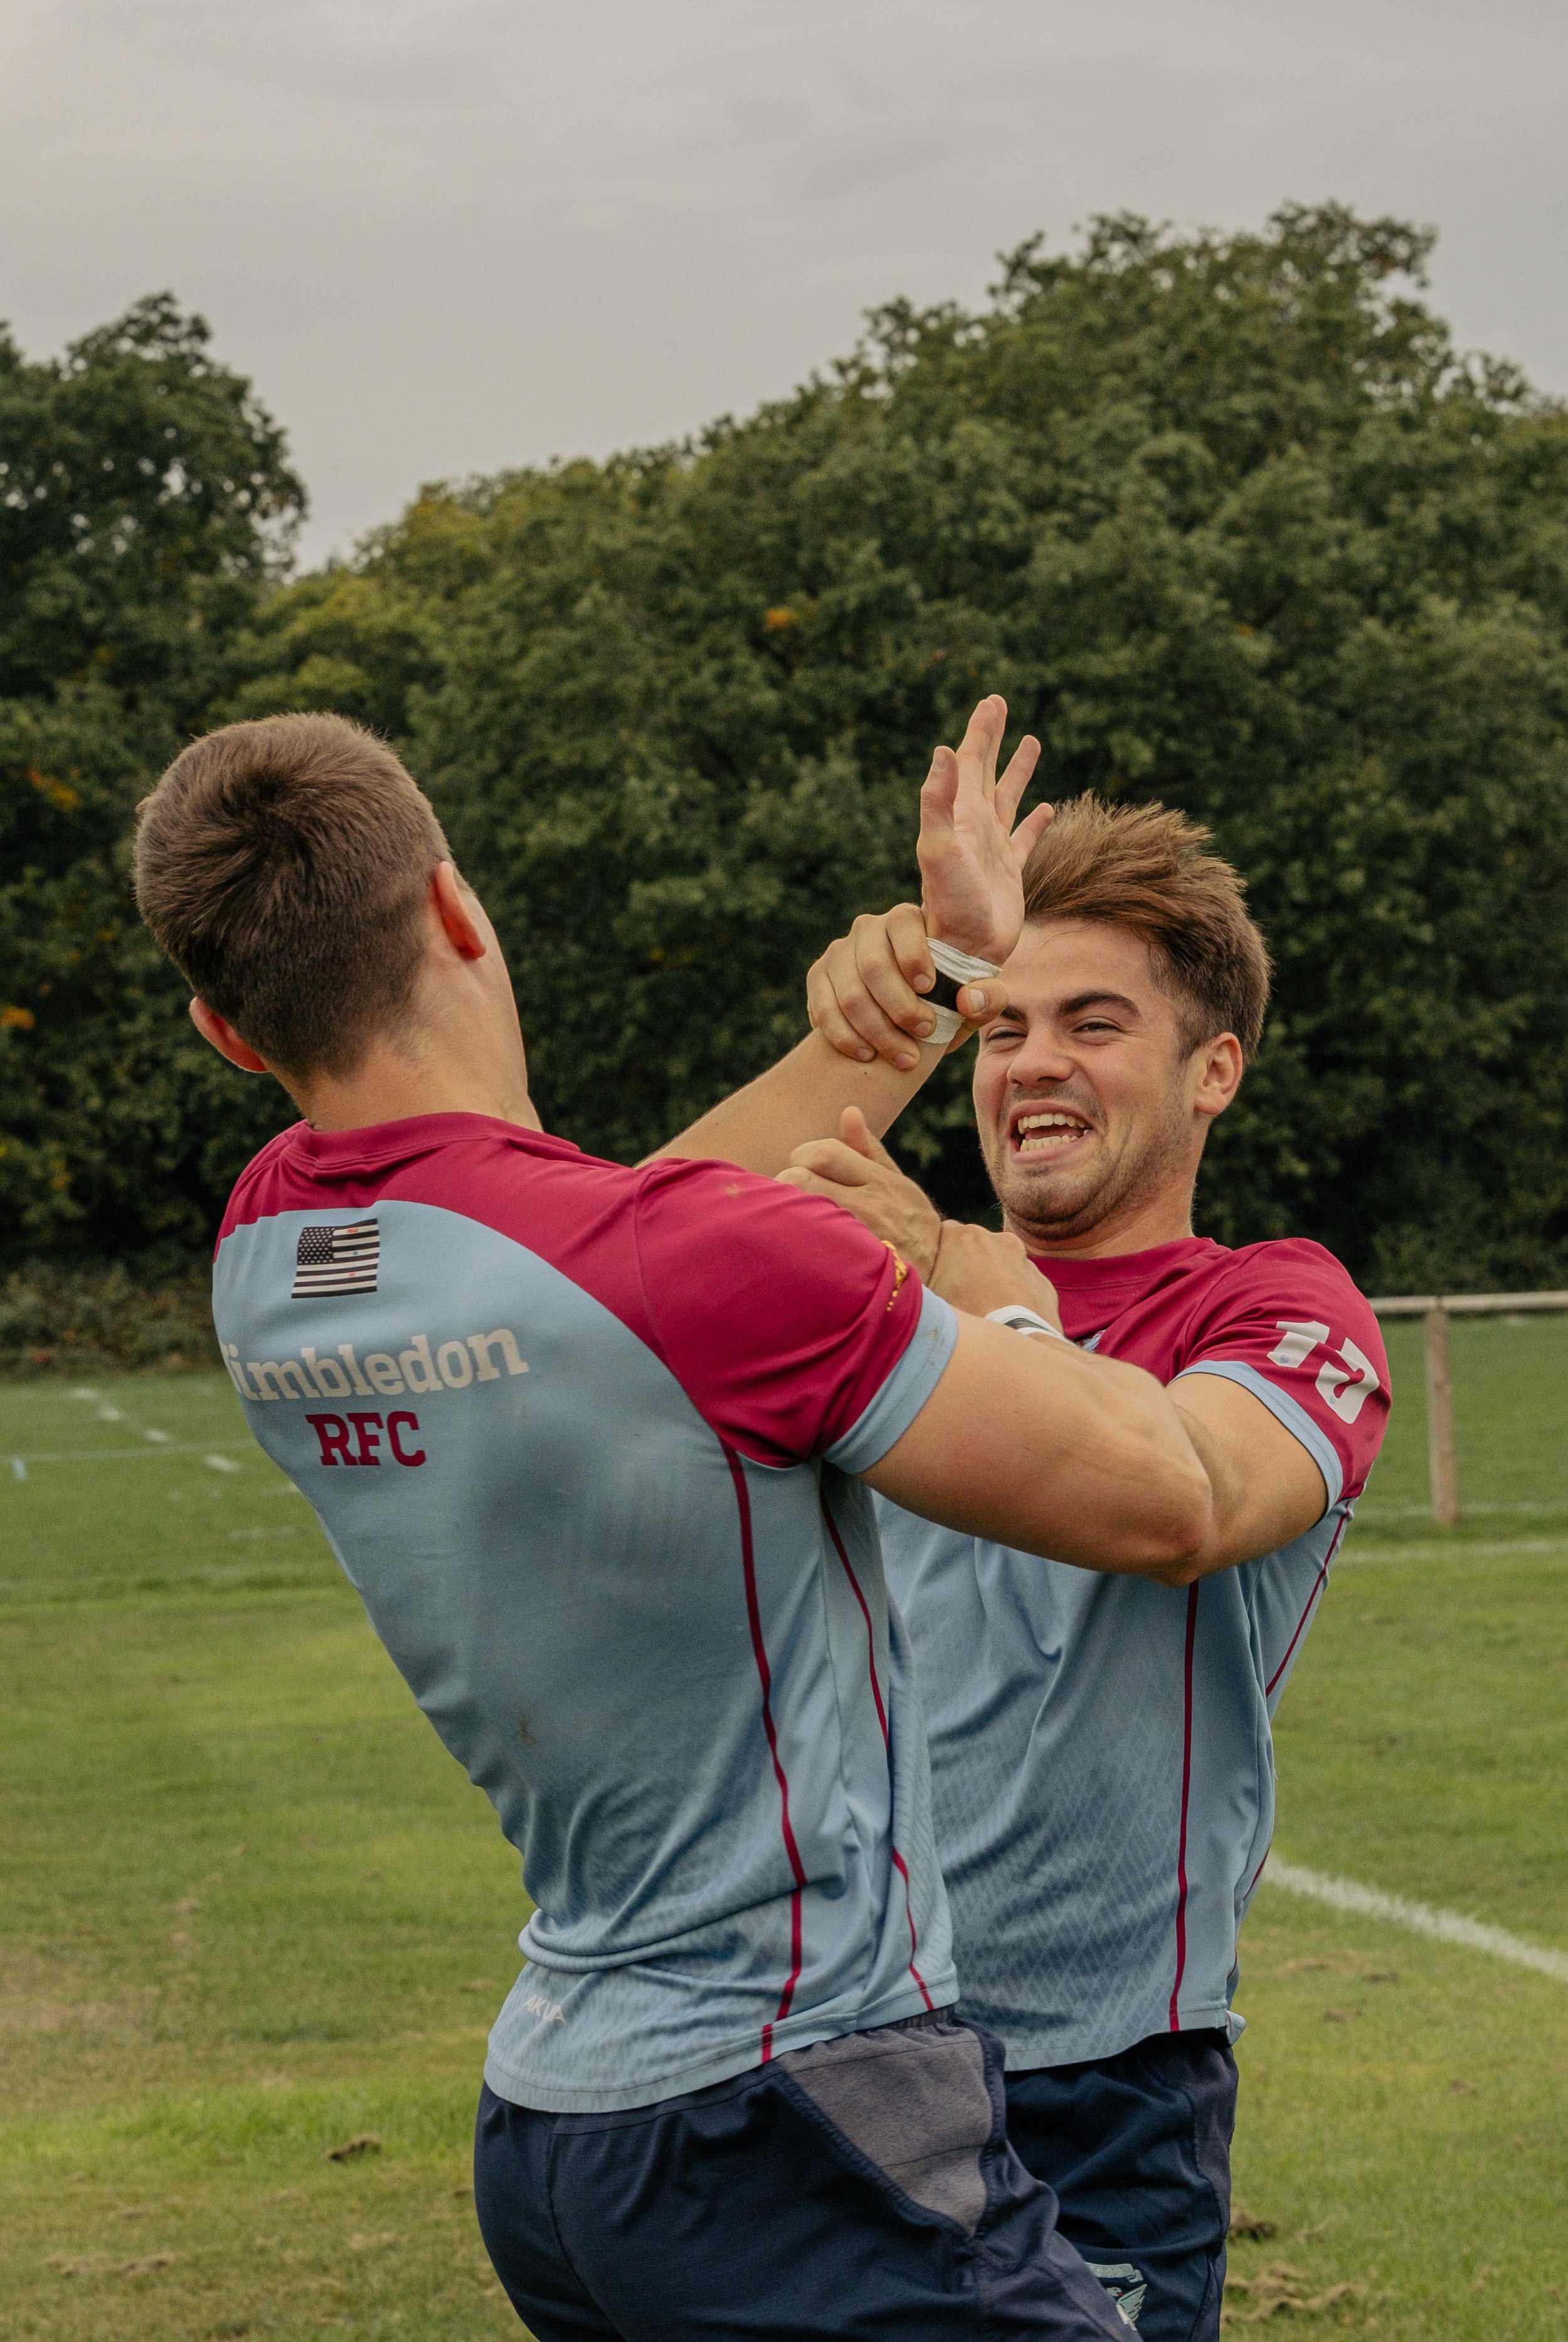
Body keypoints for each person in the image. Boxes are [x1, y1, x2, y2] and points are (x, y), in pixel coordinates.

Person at [132, 711, 1216, 2342]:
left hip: (557, 2129)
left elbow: (607, 1247)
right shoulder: (681, 1274)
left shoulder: (269, 1258)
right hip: (792, 2111)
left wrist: (943, 976)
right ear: (456, 910)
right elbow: (1160, 1505)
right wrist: (991, 1292)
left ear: (226, 1031)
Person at [705, 698, 1392, 2342]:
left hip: (1102, 2087)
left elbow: (1187, 1502)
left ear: (1209, 1067)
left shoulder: (1273, 1303)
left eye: (1092, 1023)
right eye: (1003, 1029)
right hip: (831, 2052)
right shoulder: (859, 1280)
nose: (1031, 1066)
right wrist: (899, 1005)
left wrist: (977, 1293)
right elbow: (601, 1286)